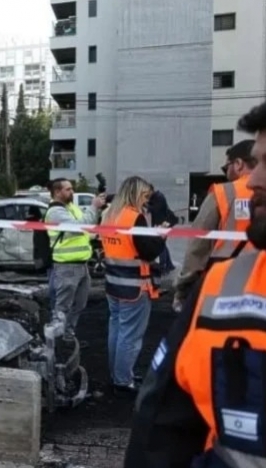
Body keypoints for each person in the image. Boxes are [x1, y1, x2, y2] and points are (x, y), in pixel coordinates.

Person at [123, 101, 266, 468]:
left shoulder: (221, 196)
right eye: (257, 162)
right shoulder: (221, 289)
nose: (254, 181)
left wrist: (184, 283)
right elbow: (164, 423)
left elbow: (197, 245)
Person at [172, 139, 257, 312]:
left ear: (239, 164)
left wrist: (184, 286)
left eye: (226, 168)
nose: (226, 173)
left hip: (226, 280)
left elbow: (198, 246)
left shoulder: (224, 193)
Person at [99, 176, 165, 395]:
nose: (146, 200)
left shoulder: (109, 214)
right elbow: (148, 251)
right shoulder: (135, 218)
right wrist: (161, 237)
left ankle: (118, 373)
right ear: (135, 193)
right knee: (130, 335)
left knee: (117, 330)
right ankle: (122, 379)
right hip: (134, 286)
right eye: (144, 195)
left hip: (113, 282)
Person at [44, 178, 106, 347]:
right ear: (57, 192)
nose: (72, 192)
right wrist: (94, 206)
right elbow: (80, 227)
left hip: (81, 264)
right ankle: (54, 344)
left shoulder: (70, 207)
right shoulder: (55, 212)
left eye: (72, 189)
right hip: (67, 266)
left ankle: (68, 336)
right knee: (62, 308)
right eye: (68, 189)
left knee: (79, 304)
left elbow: (85, 227)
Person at [147, 189, 179, 274]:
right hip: (162, 223)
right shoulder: (155, 198)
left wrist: (147, 206)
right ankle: (169, 264)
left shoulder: (159, 197)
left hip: (164, 223)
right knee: (163, 244)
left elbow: (156, 209)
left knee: (161, 245)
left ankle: (163, 266)